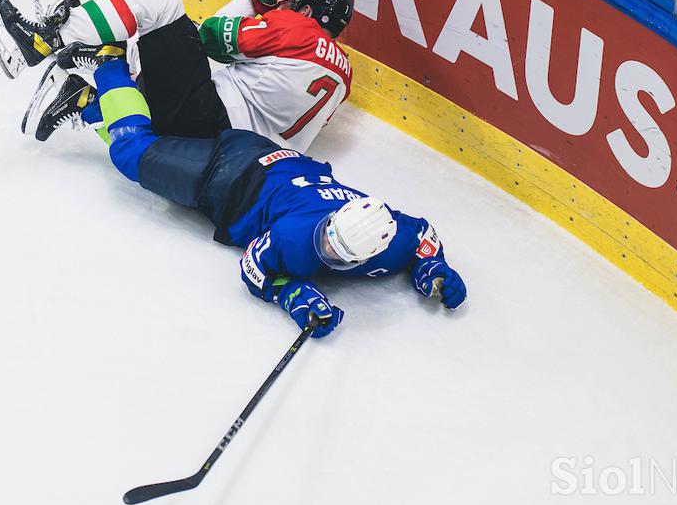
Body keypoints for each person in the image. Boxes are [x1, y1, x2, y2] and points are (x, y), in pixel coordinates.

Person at [68, 46, 467, 338]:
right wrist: (290, 292)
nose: (325, 250)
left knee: (153, 144)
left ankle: (87, 104)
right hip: (229, 176)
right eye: (328, 239)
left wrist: (433, 269)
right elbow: (254, 267)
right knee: (130, 152)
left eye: (335, 255)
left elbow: (421, 236)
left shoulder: (391, 238)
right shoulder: (296, 238)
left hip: (274, 160)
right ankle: (107, 62)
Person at [0, 0, 354, 153]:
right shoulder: (343, 79)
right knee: (163, 52)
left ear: (307, 12)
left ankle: (42, 39)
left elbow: (210, 36)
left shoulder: (298, 30)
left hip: (202, 118)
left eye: (295, 3)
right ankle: (86, 101)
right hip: (227, 162)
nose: (286, 5)